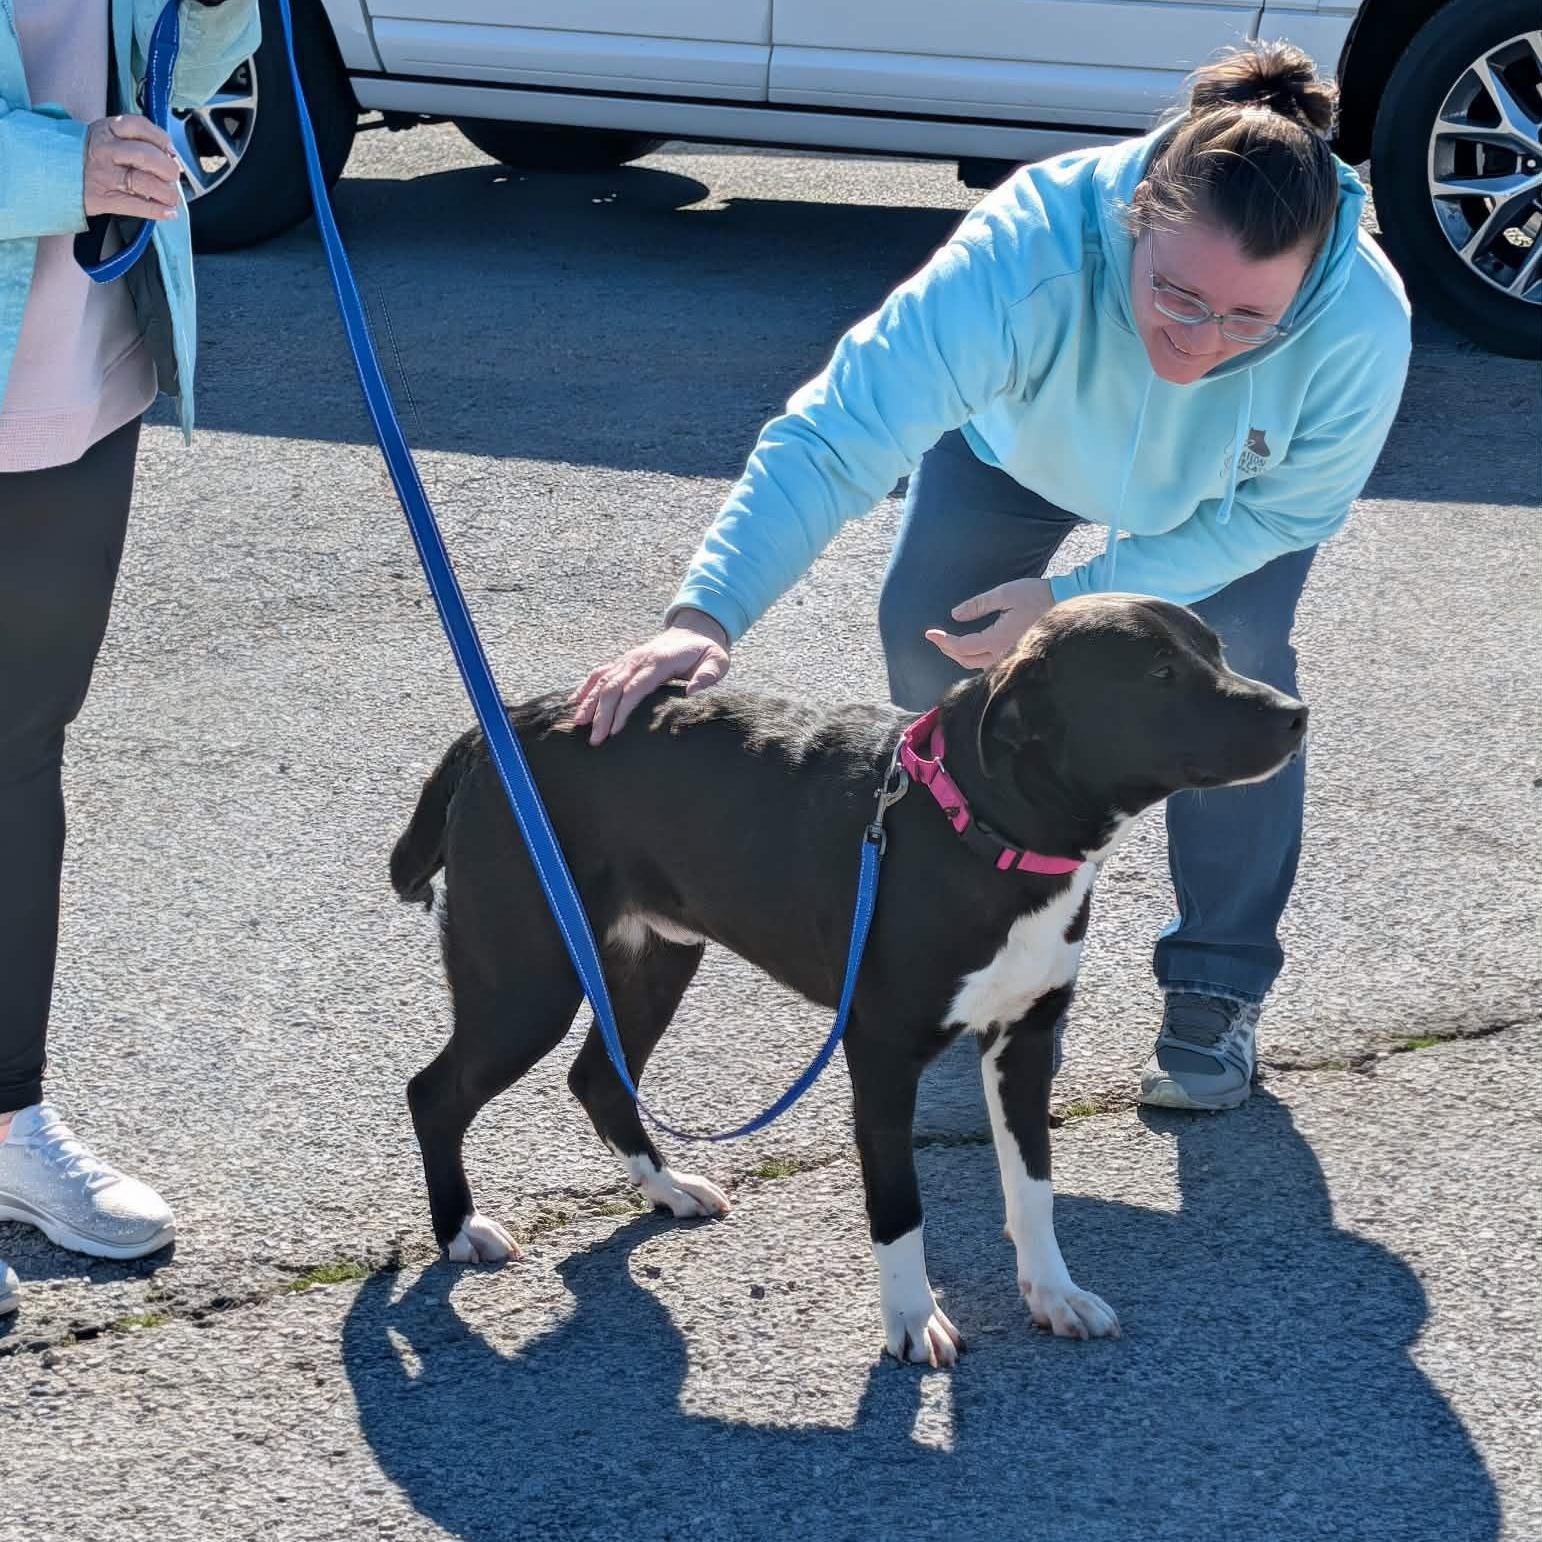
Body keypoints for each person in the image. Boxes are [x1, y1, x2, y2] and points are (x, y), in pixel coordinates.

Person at [570, 42, 1412, 1116]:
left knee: (1235, 681)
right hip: (1020, 450)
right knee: (931, 630)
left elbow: (1289, 509)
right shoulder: (1029, 248)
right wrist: (707, 612)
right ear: (1134, 221)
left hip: (1225, 508)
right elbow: (840, 433)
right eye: (1176, 298)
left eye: (1249, 320)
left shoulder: (1360, 322)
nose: (1200, 345)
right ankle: (975, 941)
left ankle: (1217, 982)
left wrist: (1078, 599)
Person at [0, 0, 261, 1318]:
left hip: (80, 387)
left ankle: (6, 1126)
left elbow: (189, 71)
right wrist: (55, 171)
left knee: (15, 764)